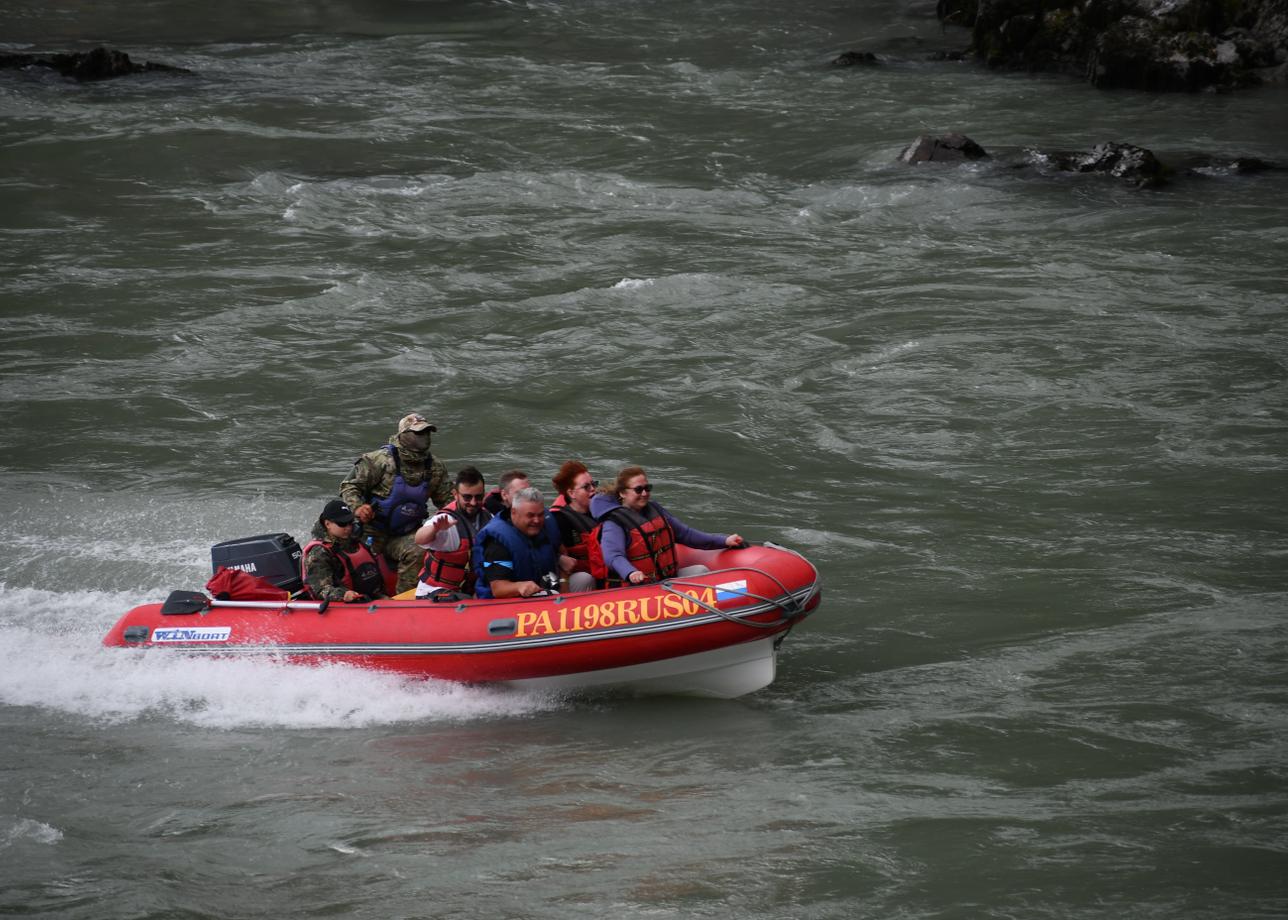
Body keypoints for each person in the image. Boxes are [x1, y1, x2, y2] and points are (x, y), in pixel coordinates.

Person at [339, 412, 452, 594]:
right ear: (404, 435)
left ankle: (404, 600)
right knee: (354, 560)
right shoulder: (379, 460)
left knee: (419, 550)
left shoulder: (435, 468)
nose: (424, 437)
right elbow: (349, 486)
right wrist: (358, 507)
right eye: (419, 433)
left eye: (427, 432)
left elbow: (447, 502)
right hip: (371, 530)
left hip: (405, 533)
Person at [590, 465, 745, 586]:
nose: (644, 493)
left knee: (701, 571)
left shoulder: (654, 510)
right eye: (638, 489)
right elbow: (612, 556)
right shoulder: (614, 522)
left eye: (647, 488)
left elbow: (686, 535)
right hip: (638, 588)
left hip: (666, 580)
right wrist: (630, 573)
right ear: (623, 493)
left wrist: (724, 540)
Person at [412, 465, 492, 599]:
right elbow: (419, 539)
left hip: (469, 590)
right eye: (467, 497)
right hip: (434, 593)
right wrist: (435, 529)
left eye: (478, 497)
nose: (473, 502)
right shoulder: (445, 521)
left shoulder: (488, 517)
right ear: (455, 494)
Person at [473, 486, 565, 599]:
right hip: (508, 604)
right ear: (514, 512)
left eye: (540, 515)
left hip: (546, 594)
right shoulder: (496, 541)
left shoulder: (545, 526)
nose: (536, 520)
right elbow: (498, 589)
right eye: (530, 515)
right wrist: (518, 587)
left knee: (582, 579)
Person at [301, 499, 388, 603]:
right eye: (342, 524)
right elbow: (321, 589)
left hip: (370, 598)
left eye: (349, 523)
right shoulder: (319, 553)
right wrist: (344, 595)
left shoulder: (354, 541)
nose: (348, 528)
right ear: (328, 524)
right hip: (347, 605)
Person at [549, 460, 605, 592]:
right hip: (575, 580)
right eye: (586, 487)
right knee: (585, 579)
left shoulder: (601, 510)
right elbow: (543, 550)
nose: (593, 489)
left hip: (602, 572)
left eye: (593, 484)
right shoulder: (558, 520)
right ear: (571, 493)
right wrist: (559, 559)